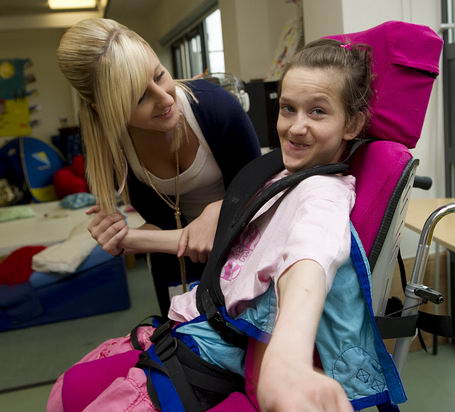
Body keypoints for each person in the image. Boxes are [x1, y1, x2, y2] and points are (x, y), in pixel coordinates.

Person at [48, 39, 404, 412]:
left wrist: (287, 360)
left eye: (317, 112)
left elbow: (309, 260)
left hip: (215, 351)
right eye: (288, 109)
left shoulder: (321, 194)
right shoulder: (279, 175)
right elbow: (221, 245)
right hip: (192, 325)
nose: (296, 127)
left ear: (352, 123)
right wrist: (129, 238)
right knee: (66, 390)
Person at [56, 18, 261, 315]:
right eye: (140, 97)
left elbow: (263, 192)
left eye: (160, 75)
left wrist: (219, 208)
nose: (166, 98)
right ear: (104, 109)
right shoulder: (112, 151)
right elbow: (165, 224)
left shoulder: (216, 107)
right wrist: (117, 237)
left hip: (247, 247)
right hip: (175, 264)